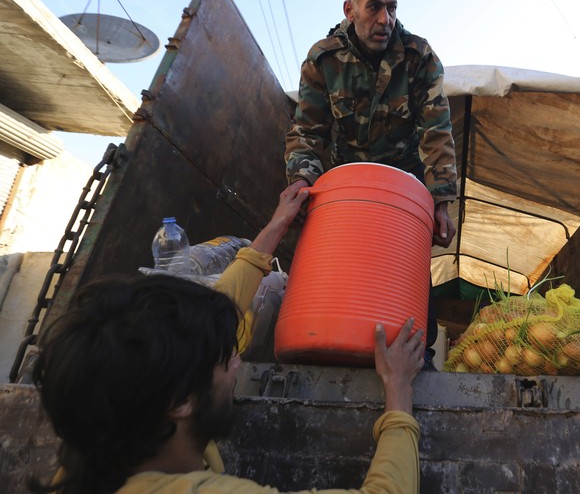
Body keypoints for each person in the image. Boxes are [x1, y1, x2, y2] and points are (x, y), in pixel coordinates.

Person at [31, 184, 424, 494]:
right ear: (181, 401)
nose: (237, 361)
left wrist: (274, 228)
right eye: (224, 358)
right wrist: (398, 392)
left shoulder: (101, 447)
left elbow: (224, 307)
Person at [285, 0, 458, 368]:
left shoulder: (419, 57)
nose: (386, 19)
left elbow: (437, 132)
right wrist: (302, 181)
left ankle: (420, 356)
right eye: (374, 7)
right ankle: (331, 343)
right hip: (347, 189)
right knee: (339, 273)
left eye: (392, 8)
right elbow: (307, 130)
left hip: (405, 189)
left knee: (406, 273)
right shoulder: (323, 59)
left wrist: (441, 201)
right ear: (350, 9)